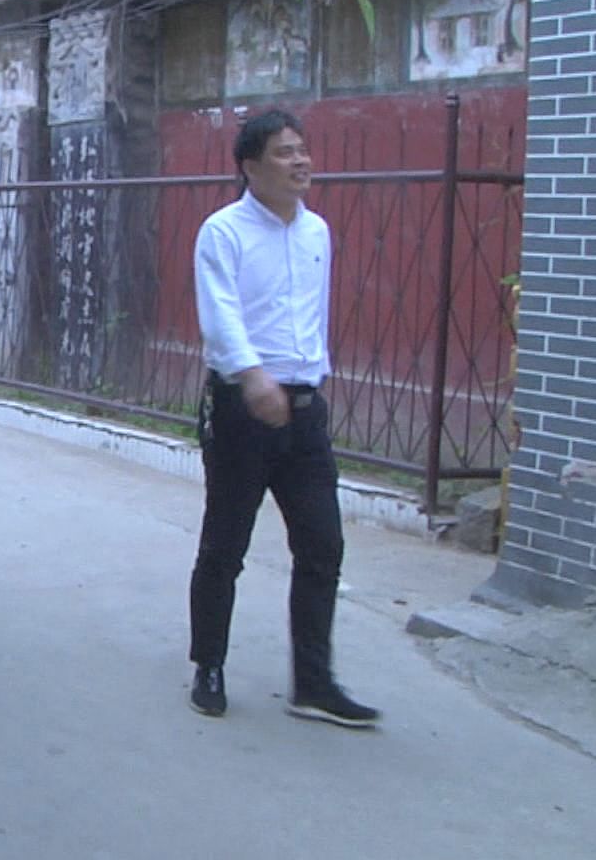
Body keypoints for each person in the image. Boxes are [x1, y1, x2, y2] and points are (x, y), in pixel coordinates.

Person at [187, 108, 379, 728]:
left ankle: (314, 683)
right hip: (244, 408)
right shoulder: (224, 232)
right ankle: (209, 666)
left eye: (304, 150)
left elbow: (307, 314)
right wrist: (252, 375)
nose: (301, 162)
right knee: (225, 545)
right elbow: (220, 315)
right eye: (284, 152)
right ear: (250, 166)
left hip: (302, 412)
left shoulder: (316, 232)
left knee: (323, 543)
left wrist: (310, 375)